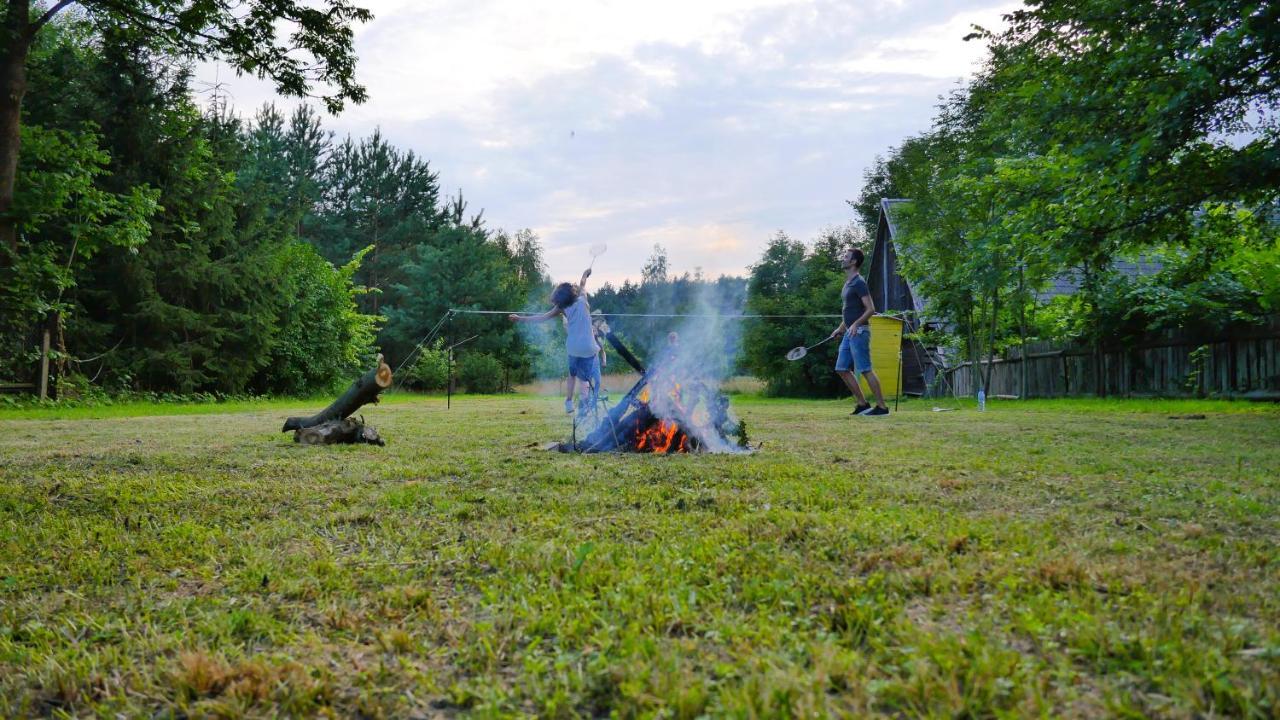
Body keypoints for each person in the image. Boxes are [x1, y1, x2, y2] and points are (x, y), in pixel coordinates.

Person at [509, 268, 601, 414]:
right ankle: (585, 403)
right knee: (585, 378)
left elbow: (541, 318)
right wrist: (585, 274)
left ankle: (569, 402)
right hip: (589, 347)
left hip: (573, 347)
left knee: (572, 375)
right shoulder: (583, 298)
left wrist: (520, 318)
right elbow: (582, 283)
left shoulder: (561, 308)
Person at [830, 247, 889, 416]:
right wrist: (840, 329)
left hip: (860, 331)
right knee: (841, 368)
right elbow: (849, 311)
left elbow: (870, 309)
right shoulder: (848, 283)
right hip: (849, 332)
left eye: (846, 256)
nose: (843, 258)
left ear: (854, 261)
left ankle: (882, 407)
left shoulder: (859, 282)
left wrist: (856, 324)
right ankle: (862, 404)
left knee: (865, 368)